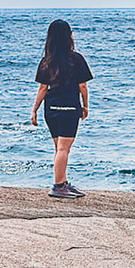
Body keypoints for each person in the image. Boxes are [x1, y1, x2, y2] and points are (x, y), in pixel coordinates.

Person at [28, 19, 94, 199]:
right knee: (64, 149)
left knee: (59, 149)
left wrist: (34, 110)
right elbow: (83, 86)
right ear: (68, 37)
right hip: (69, 108)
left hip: (51, 109)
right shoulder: (76, 58)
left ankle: (63, 181)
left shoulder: (46, 61)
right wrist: (85, 106)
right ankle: (58, 186)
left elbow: (43, 88)